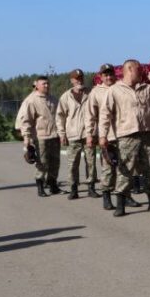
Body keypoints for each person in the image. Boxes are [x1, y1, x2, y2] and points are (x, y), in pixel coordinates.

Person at [99, 59, 150, 217]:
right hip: (127, 134)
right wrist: (102, 135)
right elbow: (105, 114)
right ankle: (121, 203)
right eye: (139, 69)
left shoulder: (147, 88)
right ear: (129, 69)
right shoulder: (115, 90)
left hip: (148, 133)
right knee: (125, 169)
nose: (142, 71)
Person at [17, 76, 62, 197]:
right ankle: (40, 186)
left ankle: (53, 185)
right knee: (42, 163)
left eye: (47, 83)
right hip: (40, 136)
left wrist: (62, 133)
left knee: (55, 162)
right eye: (43, 84)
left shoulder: (53, 99)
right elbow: (26, 120)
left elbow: (59, 117)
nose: (46, 86)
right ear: (36, 85)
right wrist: (27, 138)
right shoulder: (31, 100)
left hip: (54, 135)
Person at [57, 69, 96, 200]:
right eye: (76, 78)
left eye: (81, 77)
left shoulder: (90, 93)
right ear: (71, 80)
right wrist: (62, 134)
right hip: (72, 134)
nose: (79, 80)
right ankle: (73, 189)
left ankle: (91, 187)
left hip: (88, 134)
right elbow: (60, 116)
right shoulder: (66, 96)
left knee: (91, 162)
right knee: (72, 163)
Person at [86, 64, 119, 210]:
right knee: (108, 168)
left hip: (123, 134)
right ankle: (106, 195)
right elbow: (90, 116)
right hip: (106, 135)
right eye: (105, 75)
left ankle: (124, 196)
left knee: (124, 168)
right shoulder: (95, 92)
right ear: (101, 76)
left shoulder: (120, 88)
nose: (108, 77)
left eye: (110, 74)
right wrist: (89, 134)